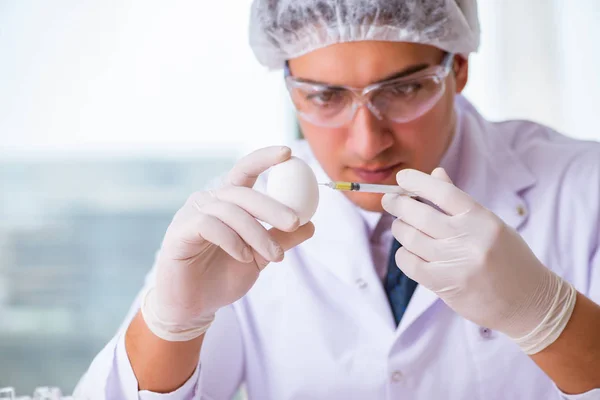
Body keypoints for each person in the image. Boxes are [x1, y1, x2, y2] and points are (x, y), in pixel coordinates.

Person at [74, 1, 600, 399]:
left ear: (459, 68)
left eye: (404, 89)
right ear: (289, 88)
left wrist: (549, 317)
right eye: (324, 97)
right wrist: (173, 323)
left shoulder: (584, 188)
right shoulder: (240, 215)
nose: (367, 142)